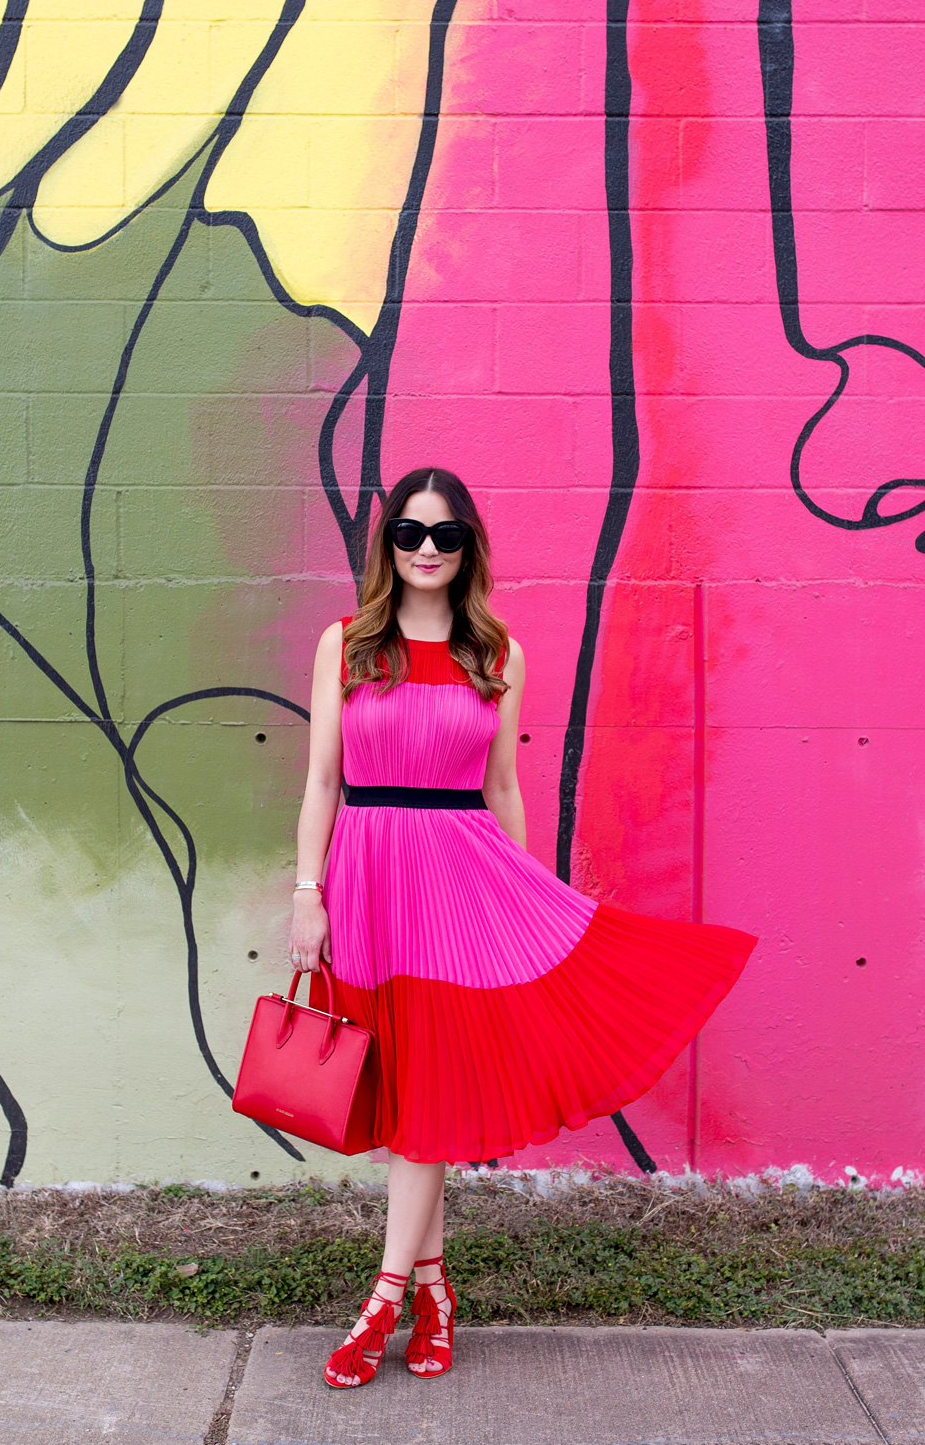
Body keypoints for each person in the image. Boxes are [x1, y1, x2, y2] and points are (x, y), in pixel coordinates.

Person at [287, 466, 756, 1388]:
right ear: (387, 544)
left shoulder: (495, 653)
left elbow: (502, 789)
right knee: (403, 1099)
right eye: (410, 533)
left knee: (422, 1105)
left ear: (470, 547)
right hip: (369, 882)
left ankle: (382, 1300)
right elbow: (321, 783)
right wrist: (309, 892)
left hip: (463, 887)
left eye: (447, 534)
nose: (427, 549)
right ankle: (437, 1292)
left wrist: (524, 901)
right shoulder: (345, 644)